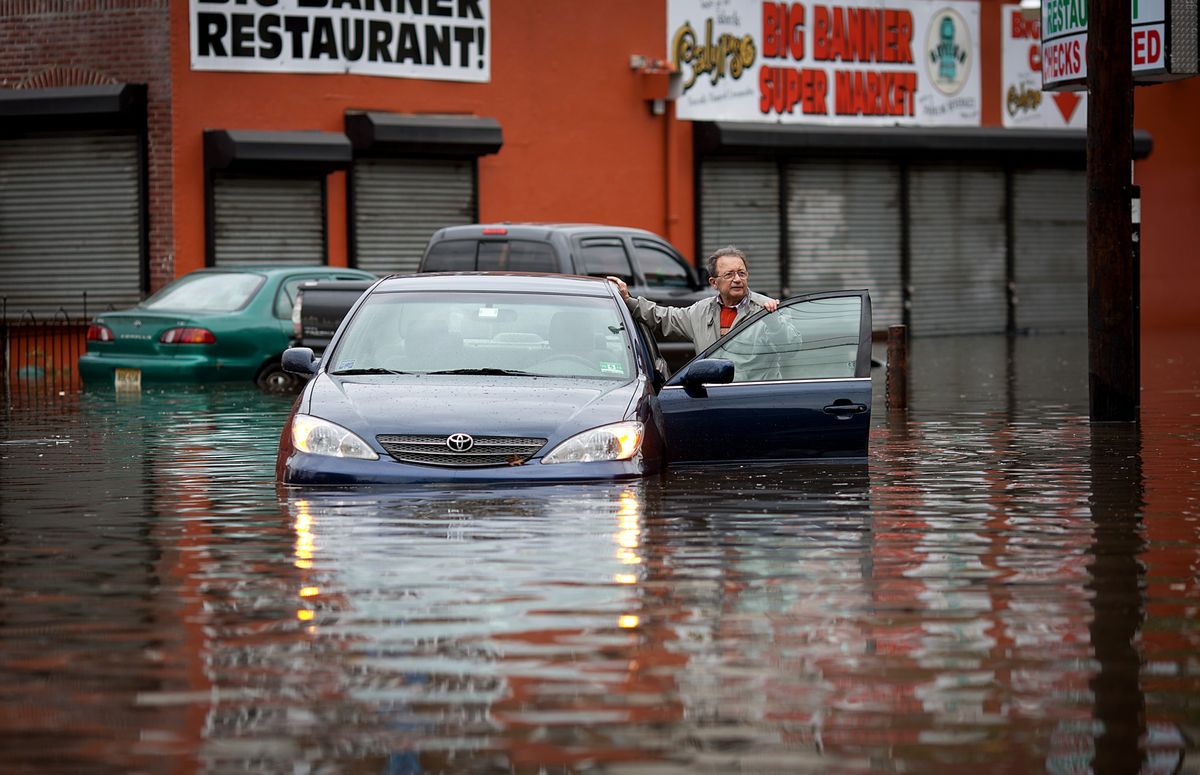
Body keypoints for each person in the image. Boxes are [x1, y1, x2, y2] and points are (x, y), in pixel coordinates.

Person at [607, 245, 779, 353]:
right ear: (714, 283)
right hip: (713, 397)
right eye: (729, 274)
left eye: (741, 273)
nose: (737, 279)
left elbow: (792, 344)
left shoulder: (764, 308)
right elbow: (664, 317)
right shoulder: (701, 311)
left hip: (753, 397)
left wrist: (775, 323)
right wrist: (629, 300)